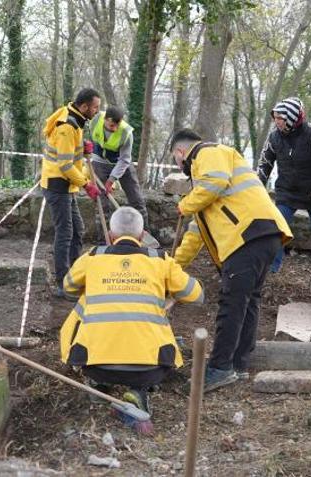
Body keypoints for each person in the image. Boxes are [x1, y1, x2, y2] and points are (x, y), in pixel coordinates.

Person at [170, 128, 293, 392]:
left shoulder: (207, 152)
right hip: (261, 234)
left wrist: (184, 204)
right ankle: (238, 365)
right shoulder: (205, 185)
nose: (180, 166)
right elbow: (196, 233)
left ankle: (220, 368)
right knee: (247, 302)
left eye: (176, 159)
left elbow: (213, 183)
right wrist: (172, 266)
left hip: (247, 235)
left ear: (181, 152)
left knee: (233, 302)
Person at [59, 207, 204, 414]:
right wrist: (165, 290)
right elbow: (197, 295)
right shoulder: (160, 261)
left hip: (95, 366)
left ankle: (99, 386)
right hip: (150, 369)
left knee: (86, 298)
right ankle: (138, 391)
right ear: (142, 235)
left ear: (110, 235)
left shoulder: (91, 258)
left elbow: (68, 288)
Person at [258, 97, 311, 278]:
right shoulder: (274, 137)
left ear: (292, 117)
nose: (276, 121)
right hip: (288, 191)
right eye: (275, 117)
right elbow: (265, 163)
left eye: (280, 117)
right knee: (276, 227)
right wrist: (257, 185)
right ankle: (272, 266)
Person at [41, 88, 102, 299]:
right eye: (95, 107)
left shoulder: (75, 120)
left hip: (66, 186)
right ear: (84, 106)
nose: (97, 111)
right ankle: (63, 284)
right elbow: (65, 165)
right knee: (65, 233)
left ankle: (75, 276)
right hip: (57, 186)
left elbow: (70, 155)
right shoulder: (68, 126)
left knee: (77, 230)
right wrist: (87, 184)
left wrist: (81, 147)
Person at [87, 106, 149, 243]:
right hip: (100, 163)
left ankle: (144, 238)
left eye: (117, 125)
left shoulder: (126, 132)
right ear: (105, 119)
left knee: (136, 200)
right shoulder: (95, 119)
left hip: (122, 164)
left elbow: (125, 160)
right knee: (101, 203)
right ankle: (104, 240)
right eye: (111, 125)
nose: (115, 128)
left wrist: (111, 180)